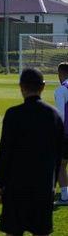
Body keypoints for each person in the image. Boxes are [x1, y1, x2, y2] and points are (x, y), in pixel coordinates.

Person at [0, 68, 62, 236]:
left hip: (16, 187)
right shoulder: (54, 115)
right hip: (43, 188)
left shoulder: (13, 114)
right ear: (43, 87)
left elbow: (5, 152)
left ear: (21, 88)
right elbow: (63, 155)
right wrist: (52, 182)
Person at [53, 61, 68, 206]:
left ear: (61, 74)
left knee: (60, 164)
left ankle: (65, 196)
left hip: (66, 134)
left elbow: (61, 116)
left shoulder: (61, 90)